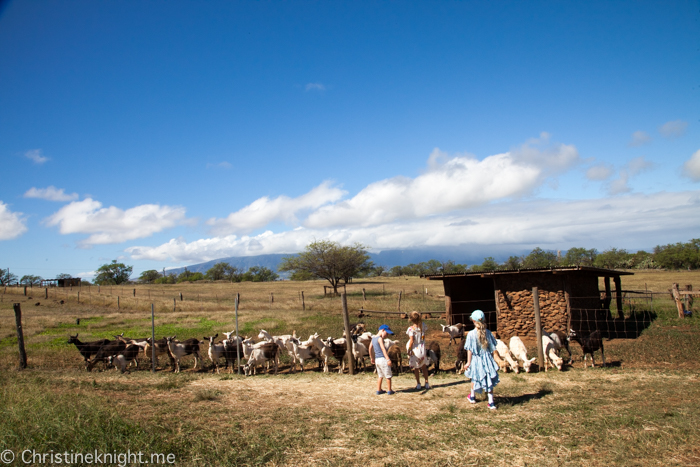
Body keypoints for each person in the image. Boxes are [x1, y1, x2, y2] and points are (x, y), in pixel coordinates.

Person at [464, 309, 500, 410]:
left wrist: (468, 362)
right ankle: (491, 402)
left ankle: (472, 396)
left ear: (474, 321)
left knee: (474, 377)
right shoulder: (488, 333)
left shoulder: (471, 334)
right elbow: (493, 348)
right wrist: (491, 360)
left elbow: (469, 350)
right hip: (487, 358)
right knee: (488, 379)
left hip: (476, 359)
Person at [406, 311, 430, 390]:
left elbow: (412, 340)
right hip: (422, 347)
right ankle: (426, 382)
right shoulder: (422, 325)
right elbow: (424, 336)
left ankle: (418, 384)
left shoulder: (411, 329)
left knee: (416, 368)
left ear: (411, 319)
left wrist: (409, 349)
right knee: (424, 366)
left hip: (415, 349)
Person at [370, 324, 395, 395]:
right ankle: (389, 390)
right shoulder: (380, 338)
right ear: (382, 330)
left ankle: (379, 390)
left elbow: (370, 348)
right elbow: (383, 349)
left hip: (377, 359)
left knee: (380, 375)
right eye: (386, 333)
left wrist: (372, 357)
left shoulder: (373, 338)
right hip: (383, 359)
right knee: (388, 375)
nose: (387, 335)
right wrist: (388, 359)